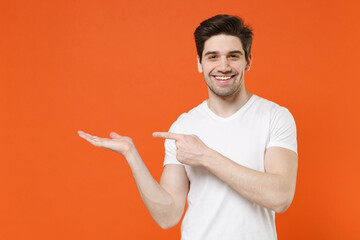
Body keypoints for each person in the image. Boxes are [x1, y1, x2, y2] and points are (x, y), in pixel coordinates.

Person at [78, 14, 298, 240]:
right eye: (213, 57)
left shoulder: (275, 117)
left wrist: (205, 156)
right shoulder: (184, 125)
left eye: (233, 56)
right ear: (199, 63)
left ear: (248, 61)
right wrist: (131, 155)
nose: (223, 66)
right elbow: (168, 215)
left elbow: (280, 197)